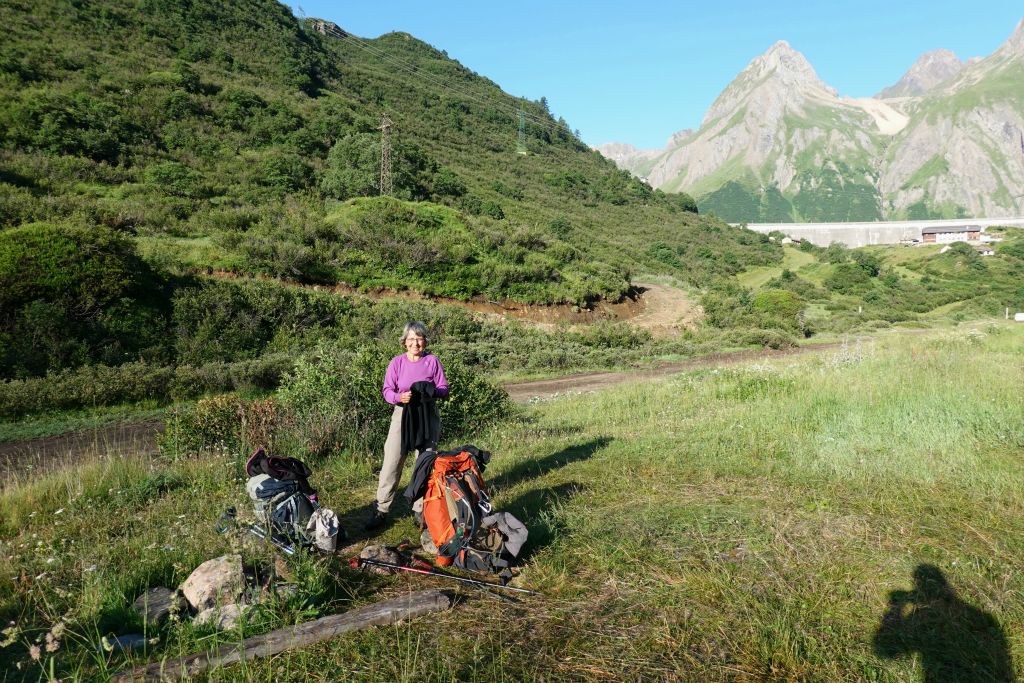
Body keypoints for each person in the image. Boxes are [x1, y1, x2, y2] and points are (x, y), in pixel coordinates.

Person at [365, 321, 448, 531]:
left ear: (425, 341)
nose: (415, 343)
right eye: (411, 339)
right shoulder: (397, 363)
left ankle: (420, 510)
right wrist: (399, 397)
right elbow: (387, 391)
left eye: (419, 338)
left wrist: (431, 390)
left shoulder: (432, 361)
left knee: (425, 461)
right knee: (392, 460)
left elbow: (444, 388)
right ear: (404, 342)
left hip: (427, 414)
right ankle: (381, 510)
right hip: (403, 414)